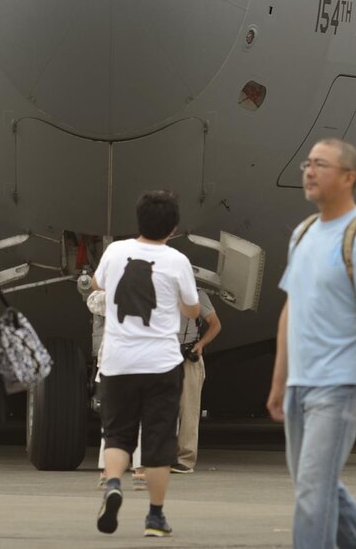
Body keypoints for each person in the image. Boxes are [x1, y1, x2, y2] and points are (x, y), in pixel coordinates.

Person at [268, 137, 356, 549]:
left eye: (320, 164)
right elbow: (291, 309)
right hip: (299, 385)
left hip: (341, 386)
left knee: (311, 491)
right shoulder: (303, 233)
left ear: (348, 177)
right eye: (307, 163)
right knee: (318, 487)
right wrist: (278, 381)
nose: (308, 171)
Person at [93, 190, 201, 537]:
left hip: (118, 362)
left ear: (137, 220)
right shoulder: (177, 261)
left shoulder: (114, 251)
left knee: (117, 434)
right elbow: (193, 308)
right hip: (161, 363)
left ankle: (112, 484)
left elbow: (97, 283)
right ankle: (155, 516)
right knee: (157, 440)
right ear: (173, 228)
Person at [174, 286, 221, 474]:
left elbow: (215, 323)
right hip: (163, 352)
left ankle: (184, 459)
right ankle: (158, 455)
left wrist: (201, 344)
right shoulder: (158, 289)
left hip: (188, 354)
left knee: (189, 407)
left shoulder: (197, 294)